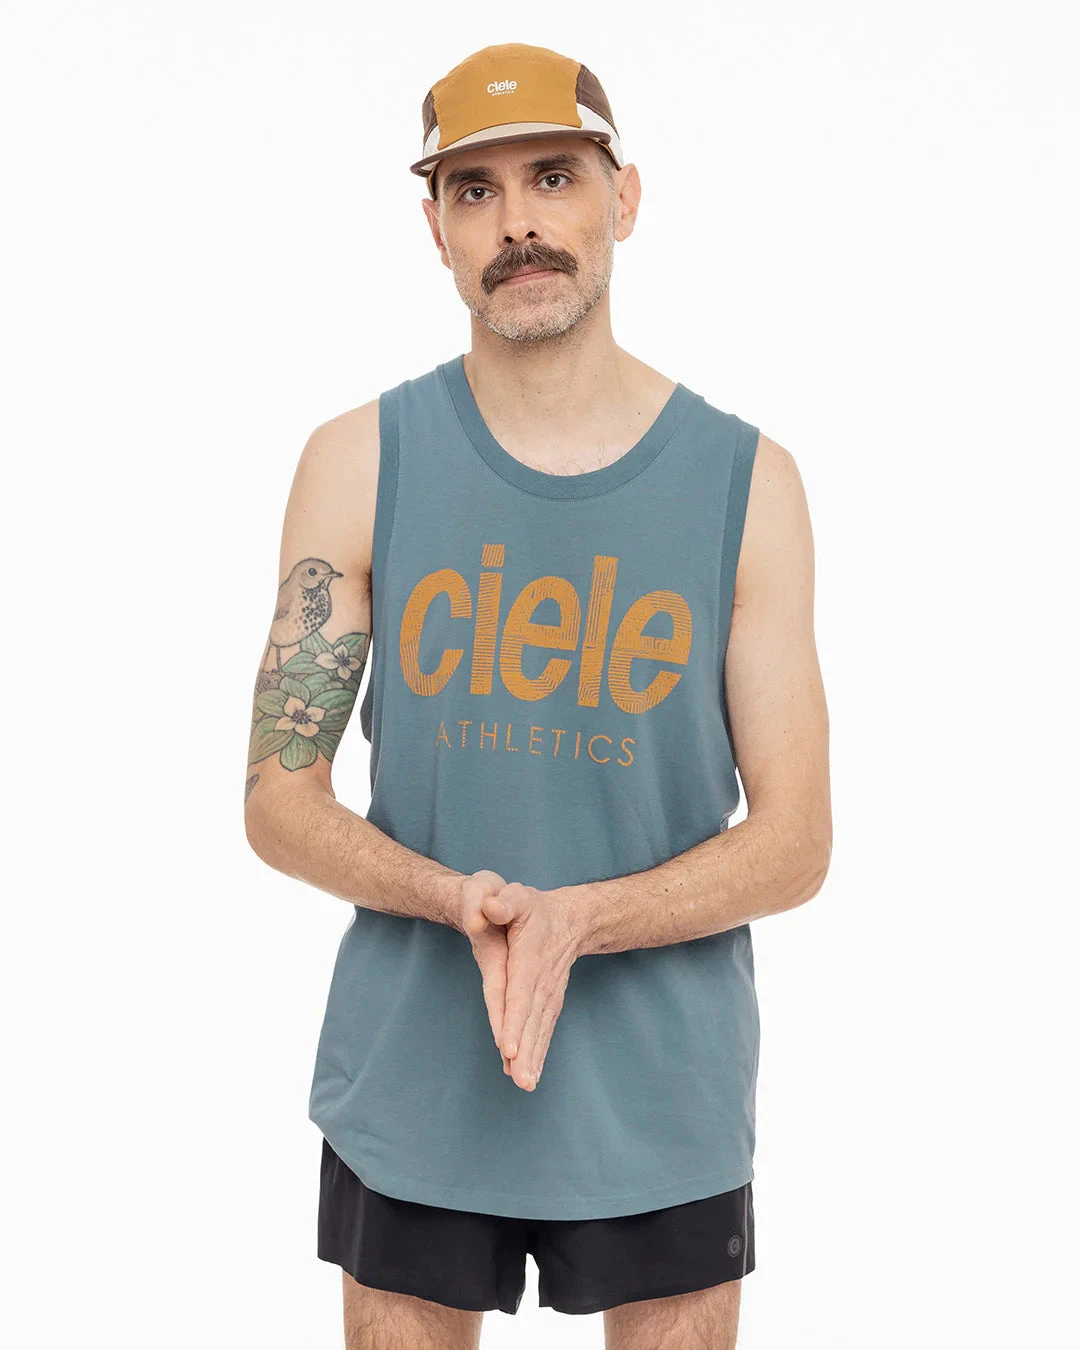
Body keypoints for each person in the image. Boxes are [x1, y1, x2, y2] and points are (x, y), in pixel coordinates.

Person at [244, 40, 832, 1350]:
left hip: (662, 1100)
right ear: (436, 230)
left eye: (554, 176)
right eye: (475, 190)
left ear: (625, 198)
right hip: (412, 1084)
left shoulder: (750, 486)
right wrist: (452, 896)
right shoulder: (357, 462)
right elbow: (278, 797)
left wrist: (580, 922)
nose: (518, 222)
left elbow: (798, 842)